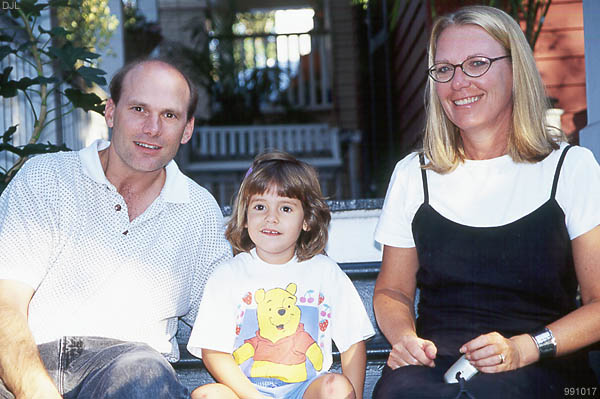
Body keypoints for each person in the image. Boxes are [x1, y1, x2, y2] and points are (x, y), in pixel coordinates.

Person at [372, 5, 600, 399]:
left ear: (516, 70)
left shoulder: (571, 168)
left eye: (476, 63)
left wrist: (524, 348)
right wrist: (405, 337)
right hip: (434, 369)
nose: (458, 82)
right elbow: (392, 292)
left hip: (541, 366)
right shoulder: (415, 174)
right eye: (444, 69)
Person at [0, 59, 232, 399]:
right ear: (110, 112)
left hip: (132, 375)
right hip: (25, 367)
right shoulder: (46, 178)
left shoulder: (198, 213)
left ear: (187, 130)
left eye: (169, 115)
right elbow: (6, 304)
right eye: (139, 109)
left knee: (143, 374)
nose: (152, 128)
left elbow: (224, 323)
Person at [187, 151, 375, 399]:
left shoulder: (324, 272)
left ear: (306, 220)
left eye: (285, 208)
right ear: (245, 217)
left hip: (306, 390)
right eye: (260, 206)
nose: (271, 218)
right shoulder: (228, 276)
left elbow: (352, 344)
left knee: (336, 387)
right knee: (207, 395)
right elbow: (214, 351)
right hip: (246, 392)